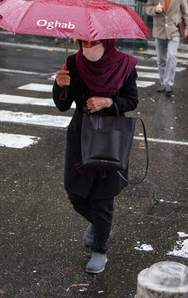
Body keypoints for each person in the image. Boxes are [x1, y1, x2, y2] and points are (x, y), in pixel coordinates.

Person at [53, 39, 138, 274]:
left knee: (103, 199)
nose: (88, 46)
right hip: (80, 137)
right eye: (84, 42)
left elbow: (132, 100)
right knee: (74, 192)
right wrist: (60, 85)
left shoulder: (124, 65)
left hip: (110, 138)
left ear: (107, 41)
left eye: (94, 42)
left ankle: (100, 249)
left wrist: (109, 102)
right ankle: (98, 224)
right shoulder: (73, 62)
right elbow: (62, 105)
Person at [145, 0, 188, 94]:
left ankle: (169, 83)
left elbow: (186, 12)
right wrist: (155, 9)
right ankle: (163, 83)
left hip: (174, 30)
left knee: (171, 56)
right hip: (159, 30)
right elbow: (147, 8)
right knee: (161, 59)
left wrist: (187, 28)